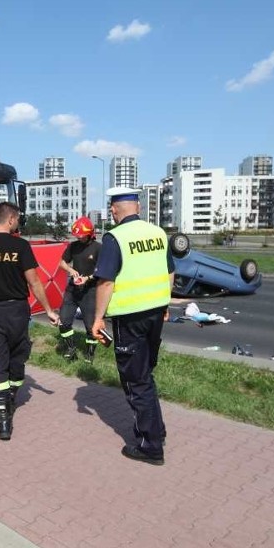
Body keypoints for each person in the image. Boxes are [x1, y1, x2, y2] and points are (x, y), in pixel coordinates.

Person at [92, 187, 175, 466]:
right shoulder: (158, 233)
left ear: (115, 210)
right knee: (146, 374)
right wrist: (164, 305)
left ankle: (149, 446)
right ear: (137, 207)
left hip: (130, 319)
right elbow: (169, 272)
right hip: (155, 314)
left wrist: (97, 318)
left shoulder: (115, 238)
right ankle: (157, 430)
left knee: (135, 380)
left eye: (111, 210)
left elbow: (105, 282)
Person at [0, 202, 60, 440]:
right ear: (10, 219)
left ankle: (3, 417)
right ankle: (10, 398)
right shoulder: (21, 246)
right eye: (17, 219)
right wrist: (48, 309)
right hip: (17, 311)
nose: (18, 223)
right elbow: (35, 282)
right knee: (18, 357)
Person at [56, 216, 101, 362]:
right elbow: (62, 262)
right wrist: (70, 270)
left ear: (90, 234)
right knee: (63, 321)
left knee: (90, 326)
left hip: (90, 291)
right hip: (73, 289)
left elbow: (102, 270)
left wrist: (87, 278)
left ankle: (90, 353)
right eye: (77, 236)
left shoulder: (98, 248)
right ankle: (71, 348)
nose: (79, 238)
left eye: (82, 236)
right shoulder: (73, 246)